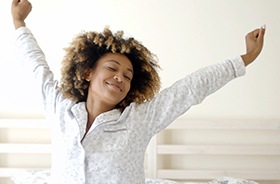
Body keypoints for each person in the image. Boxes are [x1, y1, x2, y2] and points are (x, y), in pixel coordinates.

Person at [11, 0, 265, 183]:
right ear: (88, 73)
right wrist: (19, 22)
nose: (120, 77)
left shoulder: (139, 120)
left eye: (128, 76)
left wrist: (244, 58)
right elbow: (35, 67)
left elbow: (191, 87)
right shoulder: (60, 109)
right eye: (112, 68)